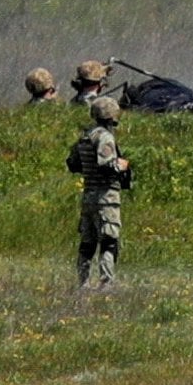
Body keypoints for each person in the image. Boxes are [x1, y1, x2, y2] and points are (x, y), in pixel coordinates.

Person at [67, 96, 130, 289]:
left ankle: (83, 282)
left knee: (88, 242)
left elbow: (73, 163)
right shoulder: (105, 137)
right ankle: (106, 282)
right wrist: (122, 166)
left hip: (89, 195)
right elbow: (107, 167)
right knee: (109, 241)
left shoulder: (85, 137)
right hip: (107, 196)